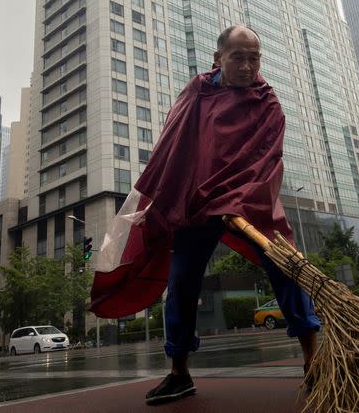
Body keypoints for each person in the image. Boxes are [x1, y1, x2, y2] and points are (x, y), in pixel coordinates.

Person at [90, 26, 321, 405]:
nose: (248, 66)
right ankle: (178, 373)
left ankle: (313, 362)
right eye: (238, 57)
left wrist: (239, 199)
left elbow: (268, 161)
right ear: (218, 59)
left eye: (254, 58)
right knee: (181, 283)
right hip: (197, 203)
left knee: (286, 265)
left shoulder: (268, 105)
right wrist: (169, 198)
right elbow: (174, 144)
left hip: (248, 201)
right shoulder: (198, 92)